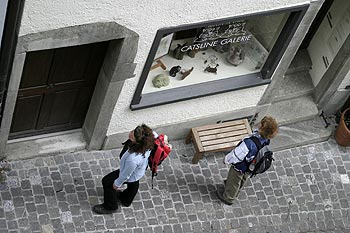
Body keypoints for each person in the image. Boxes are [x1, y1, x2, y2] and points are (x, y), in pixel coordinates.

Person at [93, 124, 155, 214]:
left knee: (107, 182)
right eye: (133, 131)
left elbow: (126, 174)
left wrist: (117, 183)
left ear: (137, 142)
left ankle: (110, 206)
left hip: (133, 172)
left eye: (133, 136)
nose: (130, 134)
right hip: (139, 170)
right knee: (134, 182)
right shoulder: (149, 138)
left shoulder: (133, 159)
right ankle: (126, 199)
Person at [216, 116, 278, 205]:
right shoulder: (266, 140)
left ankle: (228, 197)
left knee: (234, 180)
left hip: (240, 166)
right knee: (243, 178)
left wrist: (227, 160)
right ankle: (236, 189)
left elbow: (237, 155)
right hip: (251, 165)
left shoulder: (249, 143)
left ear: (261, 127)